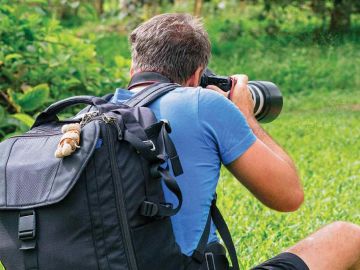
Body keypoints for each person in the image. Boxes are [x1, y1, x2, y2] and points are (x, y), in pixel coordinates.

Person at [111, 13, 360, 270]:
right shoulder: (202, 104)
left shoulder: (85, 121)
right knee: (348, 237)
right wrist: (245, 115)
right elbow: (289, 195)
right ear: (197, 77)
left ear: (132, 71)